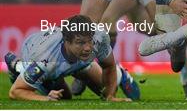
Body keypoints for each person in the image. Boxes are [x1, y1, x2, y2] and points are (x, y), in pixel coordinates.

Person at [4, 15, 137, 101]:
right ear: (66, 41)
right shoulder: (43, 60)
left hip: (78, 61)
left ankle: (87, 75)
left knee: (105, 88)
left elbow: (109, 65)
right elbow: (15, 92)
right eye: (80, 42)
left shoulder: (98, 38)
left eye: (89, 41)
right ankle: (18, 66)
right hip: (38, 54)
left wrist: (110, 96)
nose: (87, 48)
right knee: (64, 97)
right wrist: (46, 99)